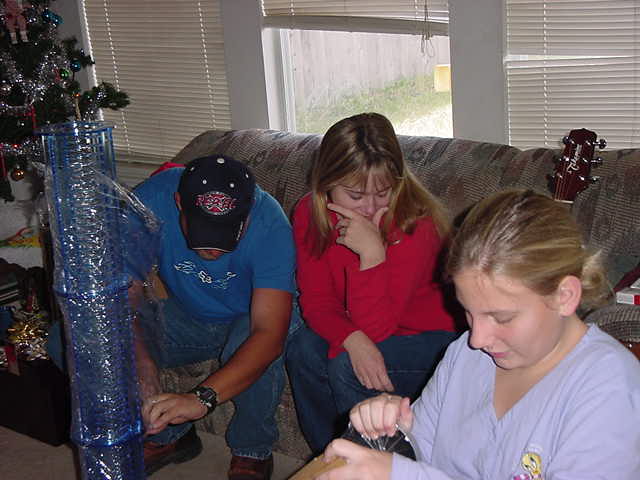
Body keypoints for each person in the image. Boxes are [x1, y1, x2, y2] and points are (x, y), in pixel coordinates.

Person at [317, 189, 640, 480]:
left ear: (564, 296)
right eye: (468, 312)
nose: (477, 339)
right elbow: (421, 447)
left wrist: (401, 474)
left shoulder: (609, 388)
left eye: (501, 317)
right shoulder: (466, 355)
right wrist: (390, 428)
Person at [286, 112, 458, 455]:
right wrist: (351, 338)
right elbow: (317, 301)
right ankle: (330, 458)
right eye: (354, 195)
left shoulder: (416, 226)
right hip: (367, 322)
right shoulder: (309, 213)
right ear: (326, 184)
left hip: (431, 341)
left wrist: (372, 256)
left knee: (345, 367)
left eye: (383, 193)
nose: (369, 208)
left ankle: (373, 463)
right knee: (303, 349)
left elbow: (378, 330)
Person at [131, 154, 299, 480]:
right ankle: (168, 436)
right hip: (189, 314)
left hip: (251, 315)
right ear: (179, 203)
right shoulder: (151, 199)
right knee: (75, 340)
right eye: (203, 233)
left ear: (248, 212)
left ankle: (252, 451)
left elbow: (268, 334)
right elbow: (124, 290)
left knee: (246, 343)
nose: (214, 250)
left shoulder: (271, 225)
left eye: (226, 234)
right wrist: (143, 360)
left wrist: (201, 399)